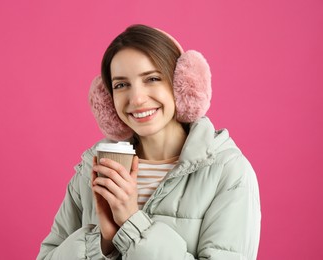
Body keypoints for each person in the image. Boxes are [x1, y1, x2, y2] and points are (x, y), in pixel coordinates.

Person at [37, 24, 261, 260]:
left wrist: (133, 224)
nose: (137, 98)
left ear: (182, 84)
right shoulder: (93, 170)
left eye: (152, 78)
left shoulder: (228, 173)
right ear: (108, 99)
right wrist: (103, 242)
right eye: (121, 85)